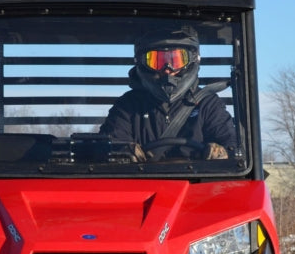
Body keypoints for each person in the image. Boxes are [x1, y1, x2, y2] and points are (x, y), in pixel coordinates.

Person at [99, 26, 238, 161]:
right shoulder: (128, 106)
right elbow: (109, 148)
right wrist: (124, 152)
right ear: (142, 63)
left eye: (176, 60)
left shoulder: (207, 104)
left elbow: (232, 148)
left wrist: (221, 153)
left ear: (192, 60)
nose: (167, 69)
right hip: (142, 183)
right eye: (156, 61)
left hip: (198, 183)